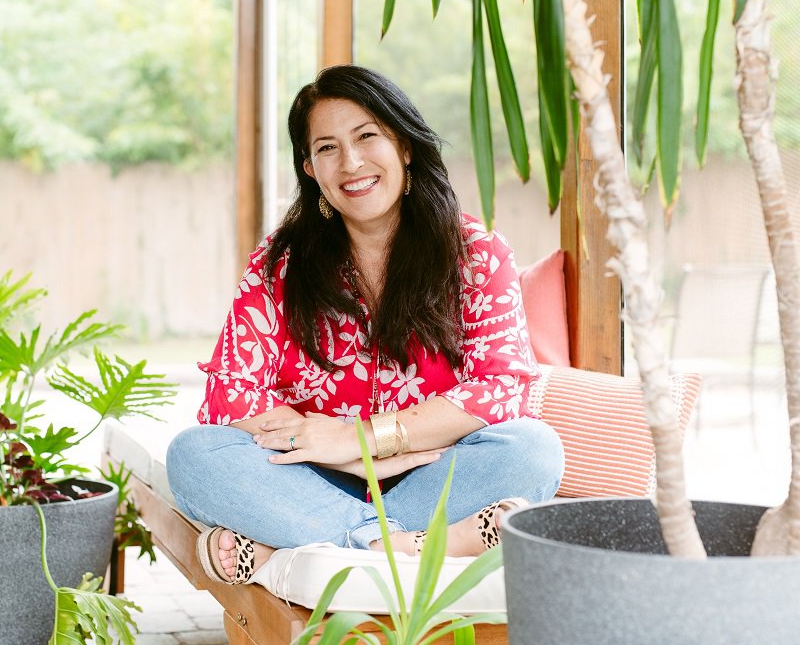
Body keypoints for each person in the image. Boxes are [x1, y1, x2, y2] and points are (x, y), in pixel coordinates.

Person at [166, 65, 564, 585]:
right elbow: (231, 393)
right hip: (311, 476)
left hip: (433, 473)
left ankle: (298, 546)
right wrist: (336, 456)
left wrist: (363, 439)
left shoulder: (476, 254)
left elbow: (501, 388)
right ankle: (398, 545)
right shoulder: (279, 264)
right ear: (309, 168)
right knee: (195, 456)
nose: (351, 162)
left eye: (367, 136)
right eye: (327, 148)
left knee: (534, 449)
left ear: (403, 145)